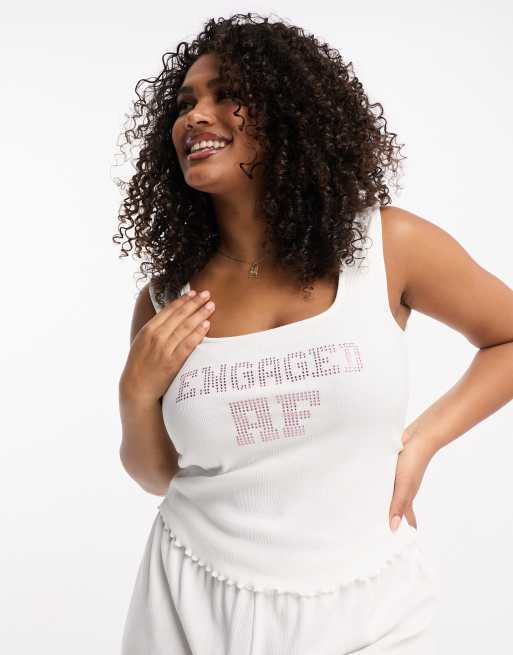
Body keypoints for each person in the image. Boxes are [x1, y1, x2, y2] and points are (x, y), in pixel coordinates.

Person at [114, 13, 513, 654]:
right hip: (191, 601)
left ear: (290, 114)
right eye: (185, 104)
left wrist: (422, 441)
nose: (196, 116)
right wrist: (135, 392)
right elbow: (158, 476)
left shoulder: (386, 247)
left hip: (369, 604)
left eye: (227, 95)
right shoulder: (167, 299)